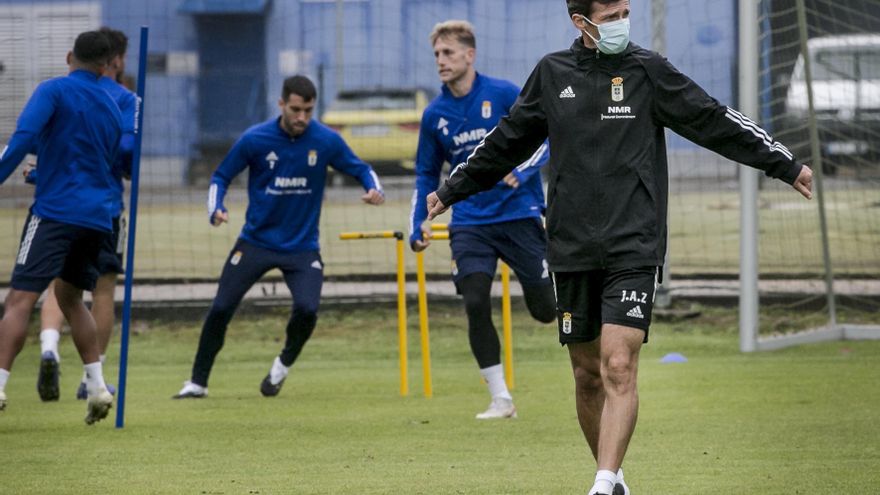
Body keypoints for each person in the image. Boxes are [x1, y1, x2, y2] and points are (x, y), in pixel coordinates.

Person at [425, 1, 814, 493]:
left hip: (634, 242)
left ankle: (602, 483)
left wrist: (784, 163)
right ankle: (616, 476)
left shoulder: (647, 71)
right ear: (580, 21)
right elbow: (505, 142)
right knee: (587, 375)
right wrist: (450, 190)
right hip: (570, 246)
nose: (620, 24)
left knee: (618, 362)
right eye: (609, 16)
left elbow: (714, 120)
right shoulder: (552, 73)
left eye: (625, 12)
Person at [173, 75, 385, 399]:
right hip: (255, 242)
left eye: (308, 111)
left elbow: (361, 168)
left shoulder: (325, 140)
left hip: (302, 248)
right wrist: (216, 207)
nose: (302, 118)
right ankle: (197, 383)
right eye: (296, 109)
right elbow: (221, 175)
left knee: (308, 309)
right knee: (220, 308)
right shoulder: (255, 139)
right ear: (282, 104)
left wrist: (374, 189)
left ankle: (281, 367)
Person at [409, 20, 556, 420]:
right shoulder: (434, 114)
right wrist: (417, 223)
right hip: (470, 222)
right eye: (437, 54)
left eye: (448, 53)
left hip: (518, 215)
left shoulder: (505, 93)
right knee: (475, 300)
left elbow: (547, 138)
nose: (441, 61)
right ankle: (500, 398)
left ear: (469, 55)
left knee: (545, 310)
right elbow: (426, 174)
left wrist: (522, 171)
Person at [0, 30, 123, 424]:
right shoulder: (112, 106)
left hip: (55, 213)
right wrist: (46, 172)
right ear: (107, 66)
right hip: (98, 218)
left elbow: (24, 138)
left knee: (20, 300)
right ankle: (98, 386)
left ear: (69, 56)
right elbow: (87, 158)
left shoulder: (52, 90)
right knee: (71, 299)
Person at [31, 26, 137, 402]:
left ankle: (48, 346)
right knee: (102, 289)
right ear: (116, 60)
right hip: (103, 208)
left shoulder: (61, 91)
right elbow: (127, 155)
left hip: (57, 203)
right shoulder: (122, 99)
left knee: (57, 285)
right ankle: (94, 377)